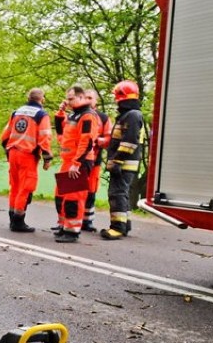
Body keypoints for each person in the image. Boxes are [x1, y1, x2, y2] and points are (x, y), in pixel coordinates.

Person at [1, 88, 54, 232]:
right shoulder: (42, 115)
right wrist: (47, 158)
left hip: (13, 153)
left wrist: (8, 151)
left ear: (28, 97)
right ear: (42, 99)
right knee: (26, 188)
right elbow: (45, 138)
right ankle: (18, 220)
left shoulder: (17, 112)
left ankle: (12, 218)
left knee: (15, 186)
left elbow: (5, 135)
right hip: (28, 155)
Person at [52, 85, 100, 243]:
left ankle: (72, 232)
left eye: (71, 98)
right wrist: (60, 112)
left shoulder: (87, 116)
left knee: (74, 197)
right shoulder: (74, 115)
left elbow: (86, 141)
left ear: (81, 97)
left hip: (78, 161)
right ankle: (65, 227)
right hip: (69, 161)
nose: (68, 101)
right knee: (63, 196)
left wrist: (76, 163)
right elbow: (61, 131)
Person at [100, 80, 144, 240]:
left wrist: (117, 161)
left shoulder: (132, 115)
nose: (115, 100)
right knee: (122, 193)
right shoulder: (130, 115)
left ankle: (117, 228)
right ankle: (125, 225)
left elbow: (129, 142)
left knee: (117, 194)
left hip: (124, 163)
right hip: (125, 163)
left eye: (116, 97)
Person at [83, 89, 113, 232]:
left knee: (90, 191)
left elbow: (109, 138)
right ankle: (64, 220)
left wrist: (100, 140)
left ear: (96, 101)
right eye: (85, 97)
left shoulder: (103, 118)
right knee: (70, 191)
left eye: (90, 98)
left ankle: (87, 221)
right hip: (74, 161)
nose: (88, 100)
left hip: (94, 160)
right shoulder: (75, 115)